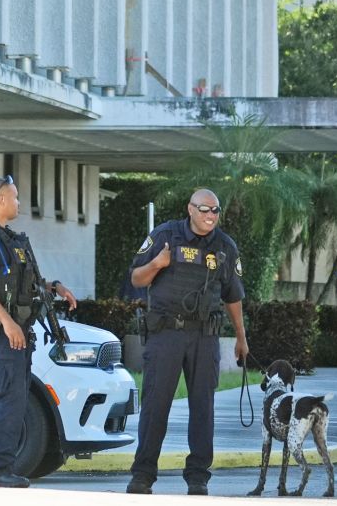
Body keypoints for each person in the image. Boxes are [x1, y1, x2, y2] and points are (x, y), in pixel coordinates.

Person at [125, 188, 249, 496]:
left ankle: (198, 477)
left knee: (203, 408)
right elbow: (136, 278)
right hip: (166, 334)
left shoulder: (225, 246)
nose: (210, 216)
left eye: (215, 211)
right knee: (155, 405)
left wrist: (241, 338)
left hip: (204, 336)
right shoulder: (165, 235)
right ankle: (143, 475)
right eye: (205, 209)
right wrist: (157, 264)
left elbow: (233, 296)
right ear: (190, 209)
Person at [0, 175, 78, 488]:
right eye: (14, 197)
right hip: (0, 332)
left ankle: (3, 467)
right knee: (7, 399)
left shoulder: (9, 239)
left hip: (18, 331)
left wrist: (53, 287)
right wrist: (8, 322)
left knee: (15, 400)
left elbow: (19, 282)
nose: (18, 203)